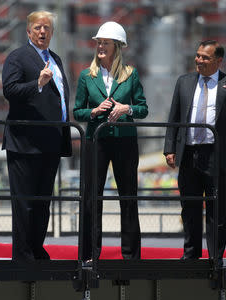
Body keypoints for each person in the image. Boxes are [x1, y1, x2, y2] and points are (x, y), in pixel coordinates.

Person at [163, 40, 226, 261]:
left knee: (217, 209)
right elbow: (174, 117)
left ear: (218, 61)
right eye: (197, 56)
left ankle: (215, 257)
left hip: (216, 156)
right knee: (189, 208)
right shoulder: (184, 82)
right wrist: (169, 148)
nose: (199, 61)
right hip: (188, 154)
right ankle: (191, 255)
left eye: (205, 57)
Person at [73, 21, 148, 261]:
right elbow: (77, 112)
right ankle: (89, 254)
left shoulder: (131, 74)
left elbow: (143, 109)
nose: (100, 46)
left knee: (128, 197)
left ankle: (131, 255)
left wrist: (127, 109)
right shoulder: (87, 76)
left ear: (117, 46)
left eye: (105, 43)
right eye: (98, 42)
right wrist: (94, 112)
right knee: (91, 197)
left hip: (125, 142)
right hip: (97, 142)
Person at [2, 10, 72, 262]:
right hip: (25, 142)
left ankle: (36, 248)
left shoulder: (56, 59)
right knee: (24, 202)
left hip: (51, 143)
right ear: (28, 31)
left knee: (43, 202)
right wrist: (38, 84)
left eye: (47, 28)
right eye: (38, 28)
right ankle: (22, 254)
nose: (43, 32)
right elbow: (9, 90)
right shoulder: (17, 57)